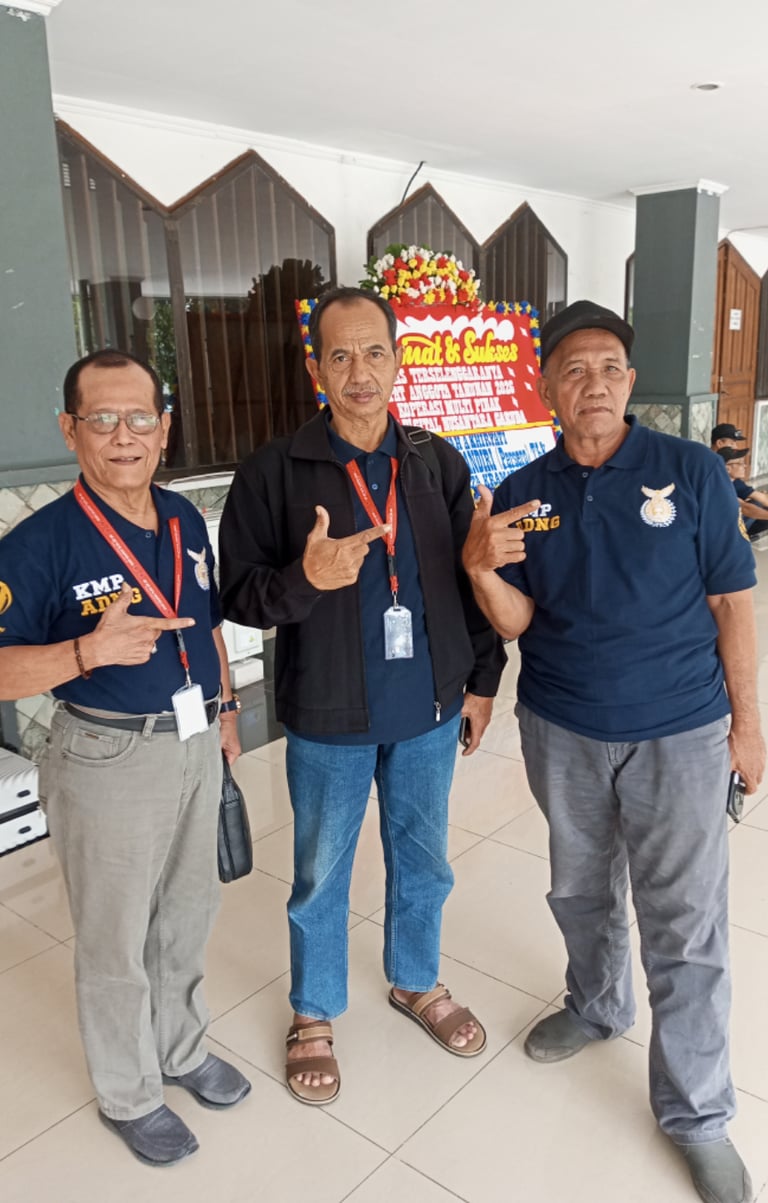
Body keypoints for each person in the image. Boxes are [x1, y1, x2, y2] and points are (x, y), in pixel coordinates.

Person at [462, 300, 765, 1203]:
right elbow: (515, 622)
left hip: (680, 731)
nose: (592, 384)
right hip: (562, 728)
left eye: (608, 368)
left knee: (686, 922)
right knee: (581, 889)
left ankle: (698, 1114)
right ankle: (596, 1006)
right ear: (546, 387)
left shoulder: (692, 471)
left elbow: (732, 604)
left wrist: (748, 724)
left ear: (630, 382)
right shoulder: (525, 489)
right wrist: (480, 567)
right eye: (574, 369)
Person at [219, 286, 505, 1105]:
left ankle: (415, 979)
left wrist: (482, 680)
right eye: (340, 355)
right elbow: (237, 595)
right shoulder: (275, 471)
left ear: (398, 359)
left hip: (428, 708)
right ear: (316, 367)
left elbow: (472, 577)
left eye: (374, 352)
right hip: (327, 714)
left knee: (424, 858)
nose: (359, 372)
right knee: (320, 872)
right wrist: (304, 578)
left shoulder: (435, 463)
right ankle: (313, 1010)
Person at [0, 350, 251, 1167]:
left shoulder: (182, 519)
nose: (123, 436)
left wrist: (225, 709)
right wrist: (85, 651)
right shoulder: (38, 545)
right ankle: (130, 1092)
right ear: (69, 429)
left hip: (195, 740)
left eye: (139, 417)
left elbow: (205, 624)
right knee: (114, 938)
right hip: (106, 753)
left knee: (187, 913)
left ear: (164, 428)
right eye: (101, 419)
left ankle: (180, 1049)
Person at [715, 446, 768, 541]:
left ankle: (745, 537)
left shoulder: (735, 482)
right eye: (740, 463)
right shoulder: (718, 485)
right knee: (755, 507)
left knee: (760, 506)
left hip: (728, 523)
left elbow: (763, 498)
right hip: (717, 531)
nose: (745, 466)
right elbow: (745, 508)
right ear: (727, 468)